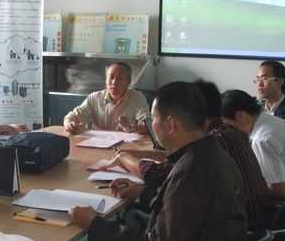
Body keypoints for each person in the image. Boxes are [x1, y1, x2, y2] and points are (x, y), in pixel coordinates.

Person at [70, 82, 246, 241]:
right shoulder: (211, 154)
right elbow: (185, 211)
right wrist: (144, 193)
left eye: (153, 119)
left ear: (170, 124)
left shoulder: (191, 171)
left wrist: (94, 224)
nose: (151, 125)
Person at [100, 80, 271, 228]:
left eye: (154, 118)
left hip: (233, 233)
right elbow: (185, 194)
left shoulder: (203, 153)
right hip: (247, 227)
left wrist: (125, 158)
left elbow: (157, 175)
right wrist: (142, 173)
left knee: (127, 216)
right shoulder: (230, 134)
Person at [221, 89, 285, 200]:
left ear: (241, 116)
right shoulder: (276, 122)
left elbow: (282, 191)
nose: (230, 130)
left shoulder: (261, 140)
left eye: (229, 125)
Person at [63, 62, 149, 134]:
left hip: (127, 146)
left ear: (128, 81)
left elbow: (148, 127)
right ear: (106, 79)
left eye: (119, 78)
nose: (114, 82)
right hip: (100, 144)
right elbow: (71, 117)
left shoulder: (137, 98)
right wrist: (69, 124)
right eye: (111, 77)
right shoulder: (95, 98)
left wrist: (131, 127)